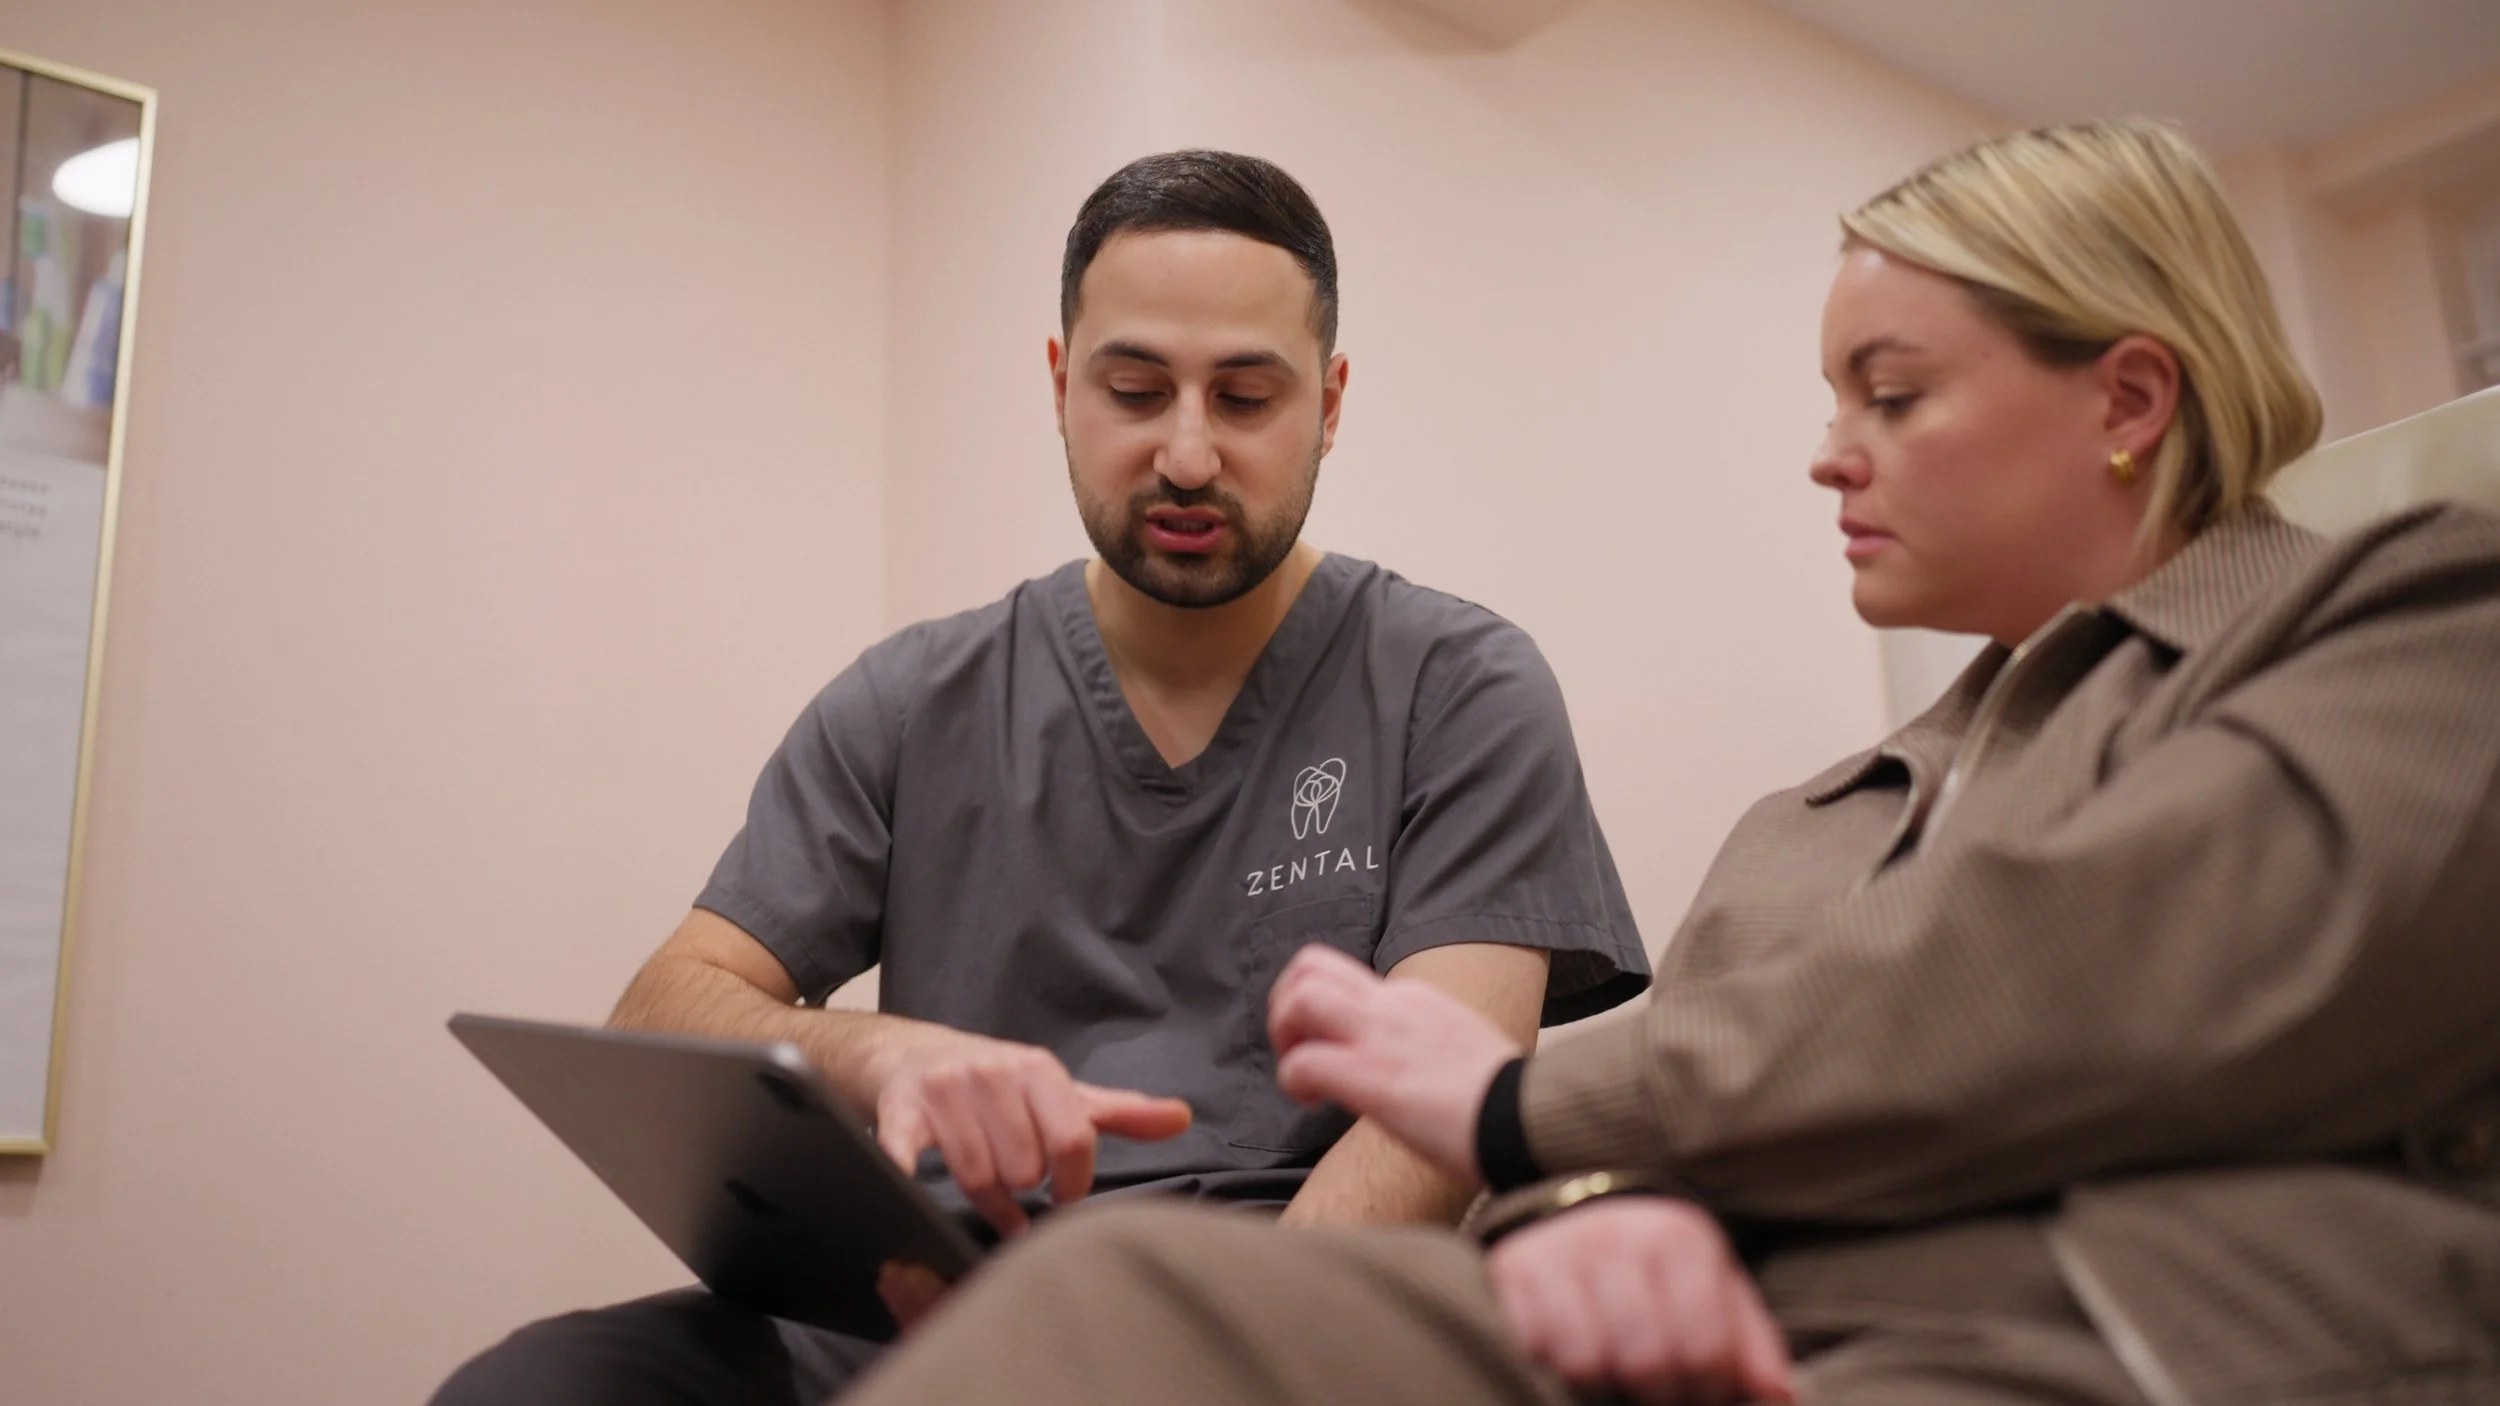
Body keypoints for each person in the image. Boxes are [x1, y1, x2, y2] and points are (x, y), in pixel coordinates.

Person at [828, 119, 2500, 1406]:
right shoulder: (1809, 831)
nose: (1830, 452)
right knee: (1100, 1313)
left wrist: (1521, 1107)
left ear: (2131, 393)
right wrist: (1603, 1221)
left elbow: (2105, 964)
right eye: (1837, 392)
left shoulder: (2414, 621)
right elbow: (1625, 1162)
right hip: (1707, 1352)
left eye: (1893, 394)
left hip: (2092, 1340)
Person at [430, 150, 1650, 1406]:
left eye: (1244, 398)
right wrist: (879, 1055)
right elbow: (666, 1002)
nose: (1185, 454)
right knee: (538, 1388)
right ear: (1062, 384)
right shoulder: (912, 699)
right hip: (925, 1300)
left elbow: (1433, 1126)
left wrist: (1163, 1355)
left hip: (1277, 1316)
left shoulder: (1459, 688)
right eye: (1134, 389)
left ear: (1330, 405)